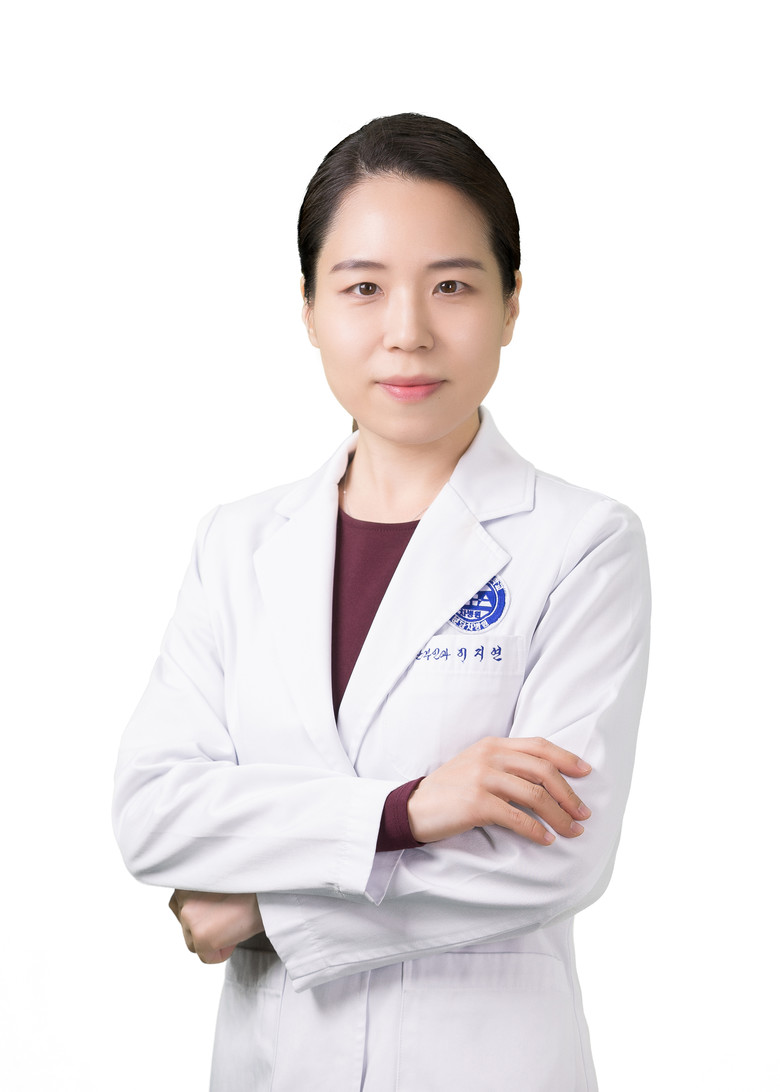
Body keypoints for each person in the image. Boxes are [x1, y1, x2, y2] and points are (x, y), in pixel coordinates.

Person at [113, 113, 650, 1091]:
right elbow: (155, 814)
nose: (408, 331)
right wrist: (406, 811)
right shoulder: (236, 544)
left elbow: (553, 858)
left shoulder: (581, 543)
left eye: (452, 285)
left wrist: (270, 908)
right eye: (363, 287)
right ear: (309, 309)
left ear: (511, 304)